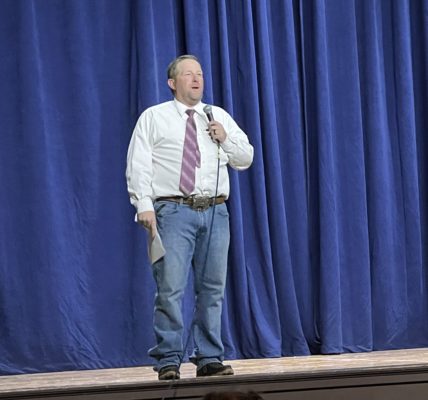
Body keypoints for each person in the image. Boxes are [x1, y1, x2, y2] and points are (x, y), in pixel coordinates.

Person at [126, 54, 253, 380]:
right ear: (172, 83)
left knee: (212, 289)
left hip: (215, 211)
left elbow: (245, 158)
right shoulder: (154, 117)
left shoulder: (217, 116)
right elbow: (139, 162)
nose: (197, 79)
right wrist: (144, 204)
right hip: (173, 210)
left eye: (200, 74)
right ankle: (168, 359)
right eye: (188, 74)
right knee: (170, 288)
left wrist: (225, 138)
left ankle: (209, 358)